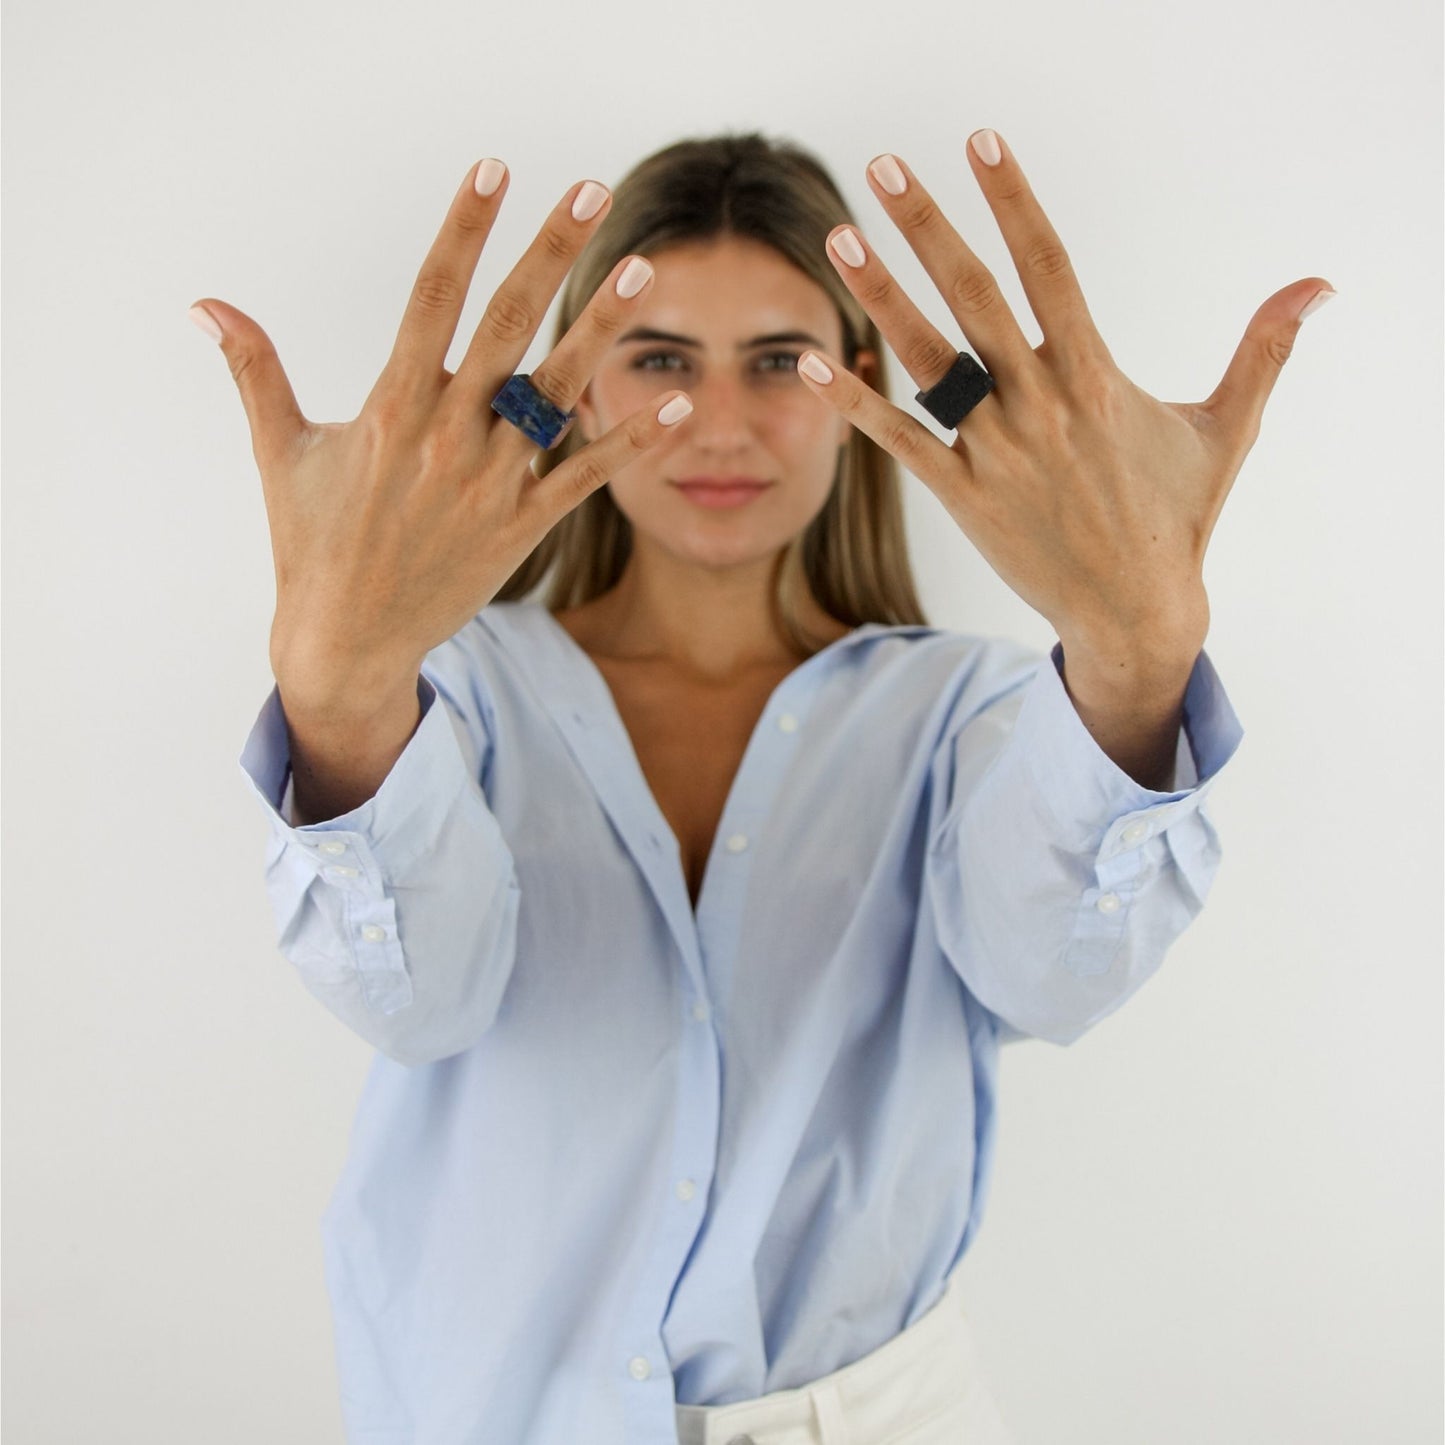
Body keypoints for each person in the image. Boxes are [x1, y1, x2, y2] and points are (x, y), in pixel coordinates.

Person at [193, 126, 1329, 1444]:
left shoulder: (973, 714)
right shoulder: (455, 691)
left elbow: (1049, 974)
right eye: (661, 359)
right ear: (573, 384)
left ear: (859, 379)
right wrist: (338, 697)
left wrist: (1136, 666)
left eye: (777, 361)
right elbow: (419, 996)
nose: (717, 424)